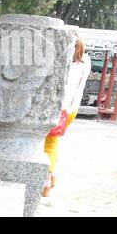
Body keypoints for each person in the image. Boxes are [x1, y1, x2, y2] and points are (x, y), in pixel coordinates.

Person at [42, 36, 90, 198]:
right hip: (71, 109)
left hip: (58, 107)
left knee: (49, 144)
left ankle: (46, 181)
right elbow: (80, 87)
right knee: (54, 142)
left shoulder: (61, 58)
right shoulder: (86, 61)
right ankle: (53, 175)